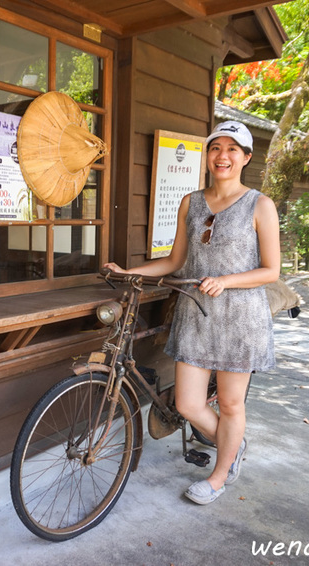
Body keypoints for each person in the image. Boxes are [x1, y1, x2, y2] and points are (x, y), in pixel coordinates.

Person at [103, 120, 280, 505]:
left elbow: (271, 270)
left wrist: (226, 281)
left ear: (246, 157)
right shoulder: (191, 202)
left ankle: (218, 476)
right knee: (187, 404)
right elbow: (175, 261)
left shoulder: (260, 205)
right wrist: (129, 272)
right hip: (195, 314)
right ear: (207, 155)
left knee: (230, 404)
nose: (222, 156)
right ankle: (233, 446)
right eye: (216, 148)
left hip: (240, 319)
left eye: (232, 149)